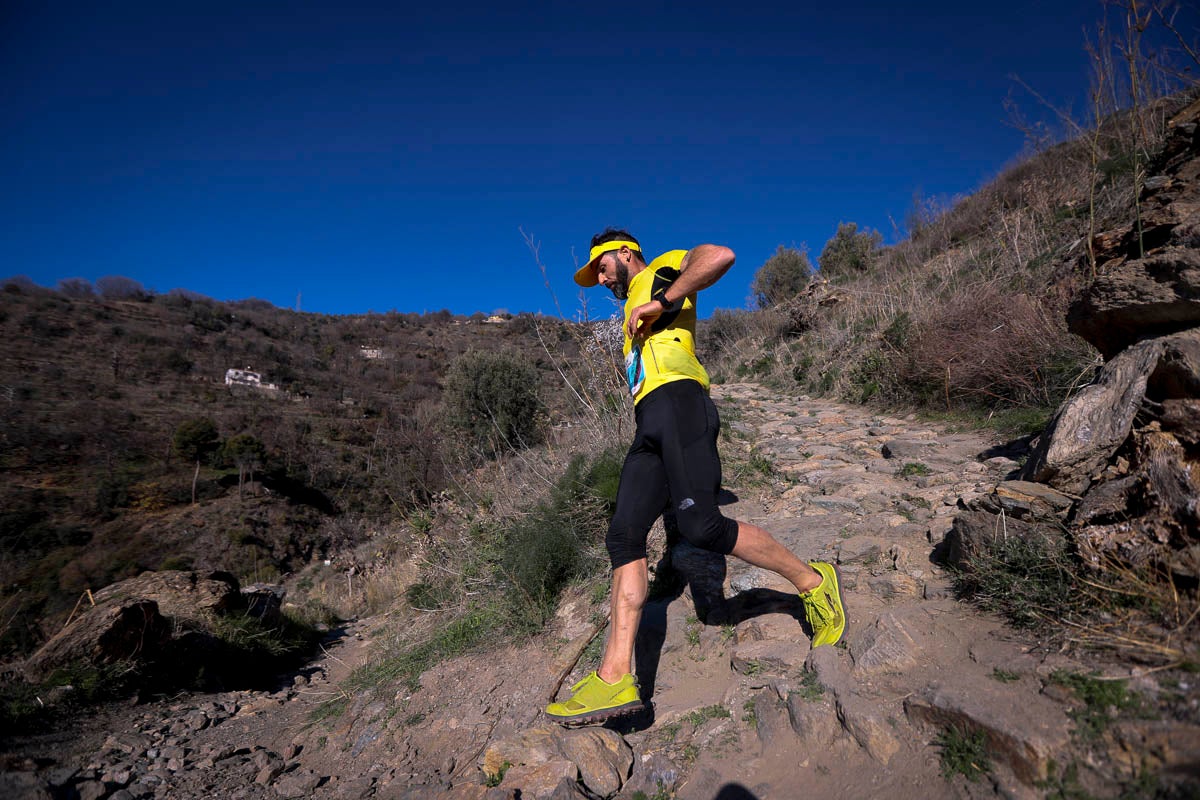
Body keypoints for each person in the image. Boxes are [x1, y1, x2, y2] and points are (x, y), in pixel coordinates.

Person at [545, 229, 848, 726]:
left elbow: (720, 255)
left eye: (600, 268)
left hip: (683, 404)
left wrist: (663, 299)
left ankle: (815, 584)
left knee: (701, 527)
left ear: (624, 253)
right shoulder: (628, 310)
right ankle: (614, 677)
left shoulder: (661, 269)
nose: (599, 279)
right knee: (623, 536)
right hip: (649, 420)